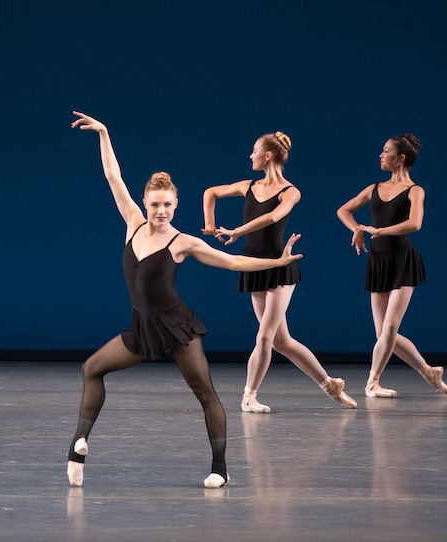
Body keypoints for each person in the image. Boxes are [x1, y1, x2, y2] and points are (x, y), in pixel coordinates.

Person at [66, 111, 304, 489]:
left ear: (177, 205)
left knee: (205, 394)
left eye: (168, 205)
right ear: (144, 201)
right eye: (155, 204)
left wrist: (278, 261)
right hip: (142, 329)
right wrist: (105, 133)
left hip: (177, 328)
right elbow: (113, 176)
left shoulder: (183, 242)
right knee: (91, 368)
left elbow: (232, 261)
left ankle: (220, 469)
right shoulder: (132, 222)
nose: (161, 212)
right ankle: (77, 450)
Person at [201, 132, 357, 413]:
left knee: (264, 336)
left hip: (280, 265)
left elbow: (273, 216)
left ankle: (249, 396)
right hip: (254, 265)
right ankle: (329, 384)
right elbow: (210, 192)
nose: (251, 156)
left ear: (268, 155)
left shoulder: (290, 191)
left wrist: (237, 231)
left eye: (254, 151)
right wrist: (210, 224)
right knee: (281, 341)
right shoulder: (248, 185)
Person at [336, 134, 447, 398]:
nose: (380, 155)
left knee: (389, 330)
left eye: (386, 151)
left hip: (402, 261)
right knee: (384, 334)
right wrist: (358, 229)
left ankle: (372, 382)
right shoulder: (373, 188)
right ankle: (428, 371)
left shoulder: (415, 190)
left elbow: (415, 223)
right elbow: (343, 210)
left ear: (400, 158)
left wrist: (378, 230)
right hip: (378, 261)